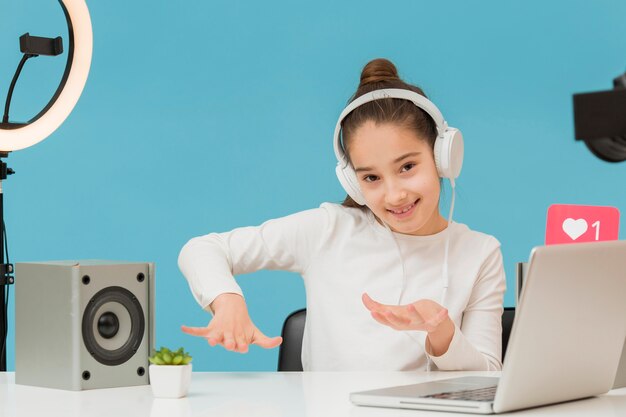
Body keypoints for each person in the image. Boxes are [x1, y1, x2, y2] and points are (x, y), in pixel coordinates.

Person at [178, 58, 506, 371]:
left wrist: (442, 331)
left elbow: (489, 374)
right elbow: (203, 248)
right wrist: (227, 300)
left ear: (442, 155)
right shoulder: (329, 230)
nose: (395, 194)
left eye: (407, 167)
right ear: (353, 181)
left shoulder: (480, 252)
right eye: (371, 178)